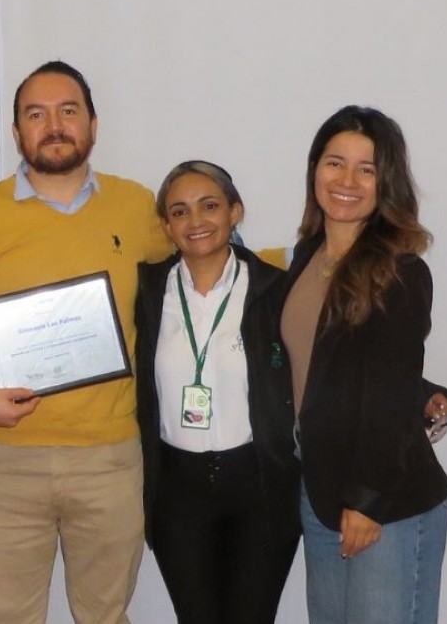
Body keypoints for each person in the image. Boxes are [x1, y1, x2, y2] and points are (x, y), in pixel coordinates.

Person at [0, 60, 172, 624]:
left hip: (109, 459)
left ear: (93, 124)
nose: (54, 125)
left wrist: (303, 260)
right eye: (36, 115)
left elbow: (203, 260)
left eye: (68, 111)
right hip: (3, 461)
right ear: (17, 132)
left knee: (105, 617)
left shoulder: (137, 207)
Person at [281, 105, 447, 624]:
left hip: (385, 501)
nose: (347, 181)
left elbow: (388, 390)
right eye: (335, 163)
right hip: (319, 489)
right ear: (315, 169)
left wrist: (367, 500)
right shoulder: (307, 257)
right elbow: (332, 365)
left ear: (386, 183)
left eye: (367, 169)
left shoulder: (400, 271)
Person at [134, 160, 302, 624]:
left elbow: (325, 361)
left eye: (209, 206)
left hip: (259, 485)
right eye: (180, 211)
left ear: (235, 212)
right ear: (166, 226)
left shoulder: (275, 289)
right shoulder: (147, 292)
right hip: (178, 491)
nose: (196, 221)